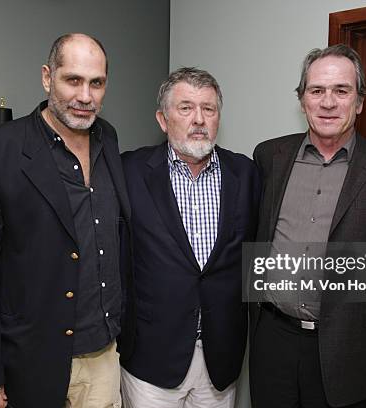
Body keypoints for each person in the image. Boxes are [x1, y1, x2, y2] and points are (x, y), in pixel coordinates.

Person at [0, 33, 131, 408]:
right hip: (32, 361)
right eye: (73, 80)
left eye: (96, 83)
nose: (85, 95)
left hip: (102, 357)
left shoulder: (108, 138)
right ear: (48, 77)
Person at [249, 44, 366, 407]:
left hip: (349, 349)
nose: (328, 102)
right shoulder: (269, 156)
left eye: (341, 91)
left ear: (359, 102)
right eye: (317, 91)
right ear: (302, 100)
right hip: (272, 340)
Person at [118, 67, 260, 407]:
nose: (199, 119)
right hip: (151, 356)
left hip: (220, 356)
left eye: (208, 109)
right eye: (185, 108)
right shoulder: (129, 172)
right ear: (163, 119)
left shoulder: (247, 174)